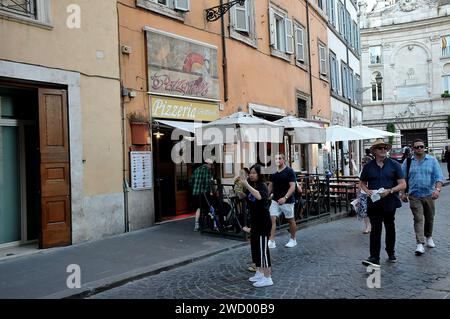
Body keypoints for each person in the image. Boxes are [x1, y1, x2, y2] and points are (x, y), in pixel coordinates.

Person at [359, 139, 406, 267]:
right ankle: (374, 257)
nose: (383, 150)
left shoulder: (394, 165)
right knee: (375, 229)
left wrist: (390, 190)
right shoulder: (368, 167)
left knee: (390, 227)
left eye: (385, 148)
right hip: (374, 203)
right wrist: (367, 190)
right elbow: (362, 183)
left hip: (390, 202)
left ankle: (391, 252)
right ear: (374, 151)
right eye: (380, 148)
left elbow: (403, 184)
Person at [400, 139, 444, 256]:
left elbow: (439, 177)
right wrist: (402, 193)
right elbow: (403, 179)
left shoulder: (432, 160)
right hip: (414, 195)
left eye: (421, 146)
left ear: (424, 147)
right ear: (413, 149)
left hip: (429, 195)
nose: (419, 149)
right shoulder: (408, 162)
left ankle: (429, 236)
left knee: (429, 218)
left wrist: (437, 190)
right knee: (418, 219)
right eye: (417, 147)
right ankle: (420, 243)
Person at [239, 164, 273, 288]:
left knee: (263, 250)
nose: (251, 175)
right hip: (255, 222)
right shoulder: (251, 186)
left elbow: (259, 196)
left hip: (263, 222)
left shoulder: (262, 186)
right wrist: (240, 192)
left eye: (254, 173)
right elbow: (247, 198)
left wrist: (246, 185)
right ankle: (259, 272)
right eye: (250, 173)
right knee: (256, 249)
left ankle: (268, 277)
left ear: (259, 174)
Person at [268, 154, 297, 249]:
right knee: (272, 219)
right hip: (275, 200)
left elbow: (293, 186)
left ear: (283, 160)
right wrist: (266, 196)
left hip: (287, 201)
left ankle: (293, 239)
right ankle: (271, 240)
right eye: (276, 158)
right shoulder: (273, 172)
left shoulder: (289, 171)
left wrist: (285, 197)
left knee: (290, 220)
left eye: (279, 158)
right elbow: (270, 186)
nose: (277, 160)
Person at [190, 158, 214, 231]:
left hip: (196, 192)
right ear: (208, 164)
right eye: (211, 165)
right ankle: (213, 224)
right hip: (204, 193)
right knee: (211, 207)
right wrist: (211, 191)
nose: (212, 166)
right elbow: (208, 182)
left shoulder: (197, 169)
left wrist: (194, 187)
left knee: (199, 208)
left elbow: (191, 180)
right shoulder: (207, 171)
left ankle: (196, 225)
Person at [356, 157, 371, 234]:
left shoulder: (372, 170)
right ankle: (367, 226)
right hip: (363, 193)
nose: (362, 164)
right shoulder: (362, 171)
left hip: (371, 194)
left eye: (363, 162)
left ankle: (371, 225)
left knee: (371, 211)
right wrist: (358, 194)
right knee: (364, 211)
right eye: (361, 162)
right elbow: (360, 183)